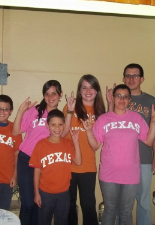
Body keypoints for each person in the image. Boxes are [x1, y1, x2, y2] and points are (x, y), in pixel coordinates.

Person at [82, 84, 155, 225]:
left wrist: (153, 123)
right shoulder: (104, 119)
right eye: (118, 96)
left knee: (126, 212)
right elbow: (95, 146)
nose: (122, 99)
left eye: (125, 97)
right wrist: (88, 131)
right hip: (109, 174)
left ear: (129, 100)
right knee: (110, 210)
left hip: (131, 174)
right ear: (113, 97)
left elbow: (149, 141)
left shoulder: (136, 118)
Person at [108, 64, 155, 225]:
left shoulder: (150, 101)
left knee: (143, 202)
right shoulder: (118, 99)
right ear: (123, 78)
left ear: (142, 79)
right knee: (122, 206)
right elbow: (108, 123)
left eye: (135, 76)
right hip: (122, 162)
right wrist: (110, 101)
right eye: (128, 75)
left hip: (144, 160)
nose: (131, 79)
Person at [12, 80, 65, 225]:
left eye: (54, 93)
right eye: (47, 93)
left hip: (47, 164)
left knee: (38, 204)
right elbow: (16, 131)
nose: (50, 97)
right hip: (27, 159)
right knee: (28, 203)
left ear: (60, 95)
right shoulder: (34, 111)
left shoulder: (60, 116)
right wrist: (21, 111)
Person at [62, 74, 105, 225]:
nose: (88, 90)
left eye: (92, 87)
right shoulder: (69, 107)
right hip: (68, 165)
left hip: (88, 166)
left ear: (97, 91)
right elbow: (62, 133)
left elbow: (96, 145)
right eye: (84, 87)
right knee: (69, 205)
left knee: (88, 205)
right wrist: (69, 110)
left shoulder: (100, 112)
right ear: (79, 91)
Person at [29, 109, 82, 225]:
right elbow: (37, 170)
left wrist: (76, 142)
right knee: (44, 221)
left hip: (64, 193)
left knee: (62, 222)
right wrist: (36, 193)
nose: (57, 128)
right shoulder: (41, 145)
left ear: (64, 126)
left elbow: (78, 162)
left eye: (60, 125)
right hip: (45, 193)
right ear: (47, 126)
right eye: (53, 125)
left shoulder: (68, 144)